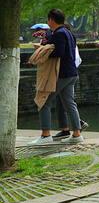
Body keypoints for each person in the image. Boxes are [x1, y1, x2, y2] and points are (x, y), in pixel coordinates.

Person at [28, 8, 84, 145]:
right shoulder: (69, 33)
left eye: (48, 20)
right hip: (71, 74)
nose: (48, 23)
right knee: (69, 103)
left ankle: (45, 135)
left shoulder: (59, 33)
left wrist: (42, 50)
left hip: (61, 74)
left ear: (51, 20)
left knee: (44, 102)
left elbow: (58, 51)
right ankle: (76, 134)